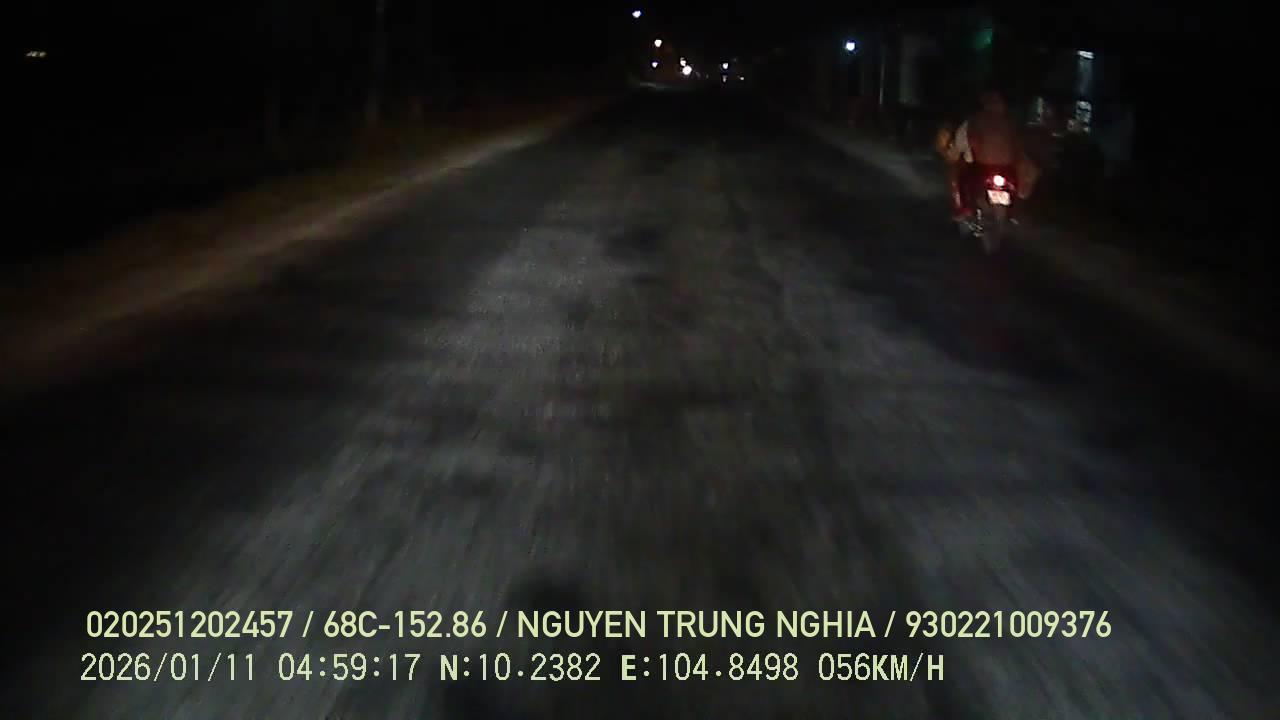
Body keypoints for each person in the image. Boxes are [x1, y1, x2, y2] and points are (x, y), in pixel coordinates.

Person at [943, 90, 1028, 222]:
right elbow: (1019, 146)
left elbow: (967, 142)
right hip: (1008, 169)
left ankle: (965, 209)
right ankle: (1014, 213)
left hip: (983, 167)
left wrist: (959, 156)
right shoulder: (1010, 122)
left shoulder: (975, 120)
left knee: (962, 179)